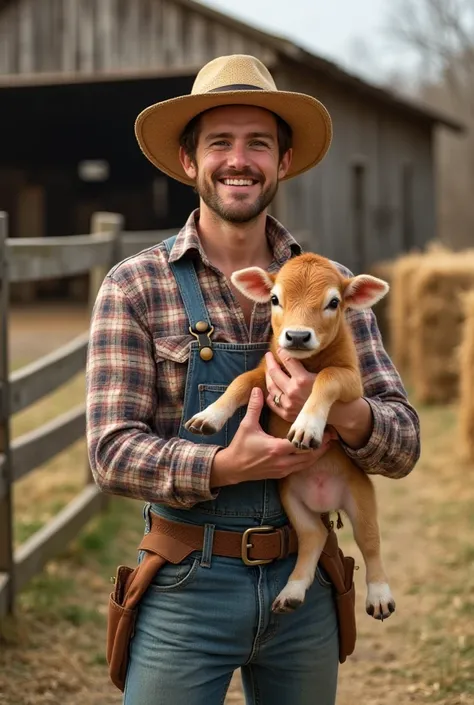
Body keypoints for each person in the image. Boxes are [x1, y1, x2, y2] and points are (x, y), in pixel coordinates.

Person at [86, 54, 420, 705]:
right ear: (189, 161)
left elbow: (403, 442)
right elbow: (109, 452)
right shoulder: (135, 285)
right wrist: (221, 466)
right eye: (220, 143)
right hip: (188, 580)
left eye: (258, 143)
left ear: (284, 161)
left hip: (308, 582)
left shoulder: (333, 285)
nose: (239, 159)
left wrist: (344, 414)